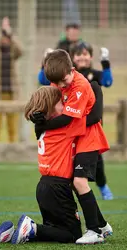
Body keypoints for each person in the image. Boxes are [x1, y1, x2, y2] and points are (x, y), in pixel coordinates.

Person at [30, 49, 112, 244]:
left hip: (88, 137)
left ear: (72, 69)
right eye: (56, 83)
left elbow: (67, 118)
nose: (60, 86)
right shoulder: (59, 79)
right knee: (75, 183)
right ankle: (101, 224)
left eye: (63, 81)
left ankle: (95, 232)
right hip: (76, 137)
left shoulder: (80, 85)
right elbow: (51, 105)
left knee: (79, 182)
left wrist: (43, 126)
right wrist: (38, 116)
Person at [38, 41, 114, 200]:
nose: (82, 58)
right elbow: (44, 80)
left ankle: (103, 186)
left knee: (97, 160)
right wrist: (45, 62)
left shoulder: (91, 76)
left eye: (85, 54)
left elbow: (108, 82)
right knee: (71, 165)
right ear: (72, 58)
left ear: (91, 56)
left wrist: (106, 63)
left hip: (87, 124)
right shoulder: (61, 74)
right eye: (79, 54)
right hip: (69, 126)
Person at [0, 17, 22, 143]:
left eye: (7, 37)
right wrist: (1, 31)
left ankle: (13, 149)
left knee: (12, 125)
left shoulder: (13, 51)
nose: (5, 39)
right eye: (3, 37)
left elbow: (20, 50)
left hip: (11, 92)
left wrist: (10, 33)